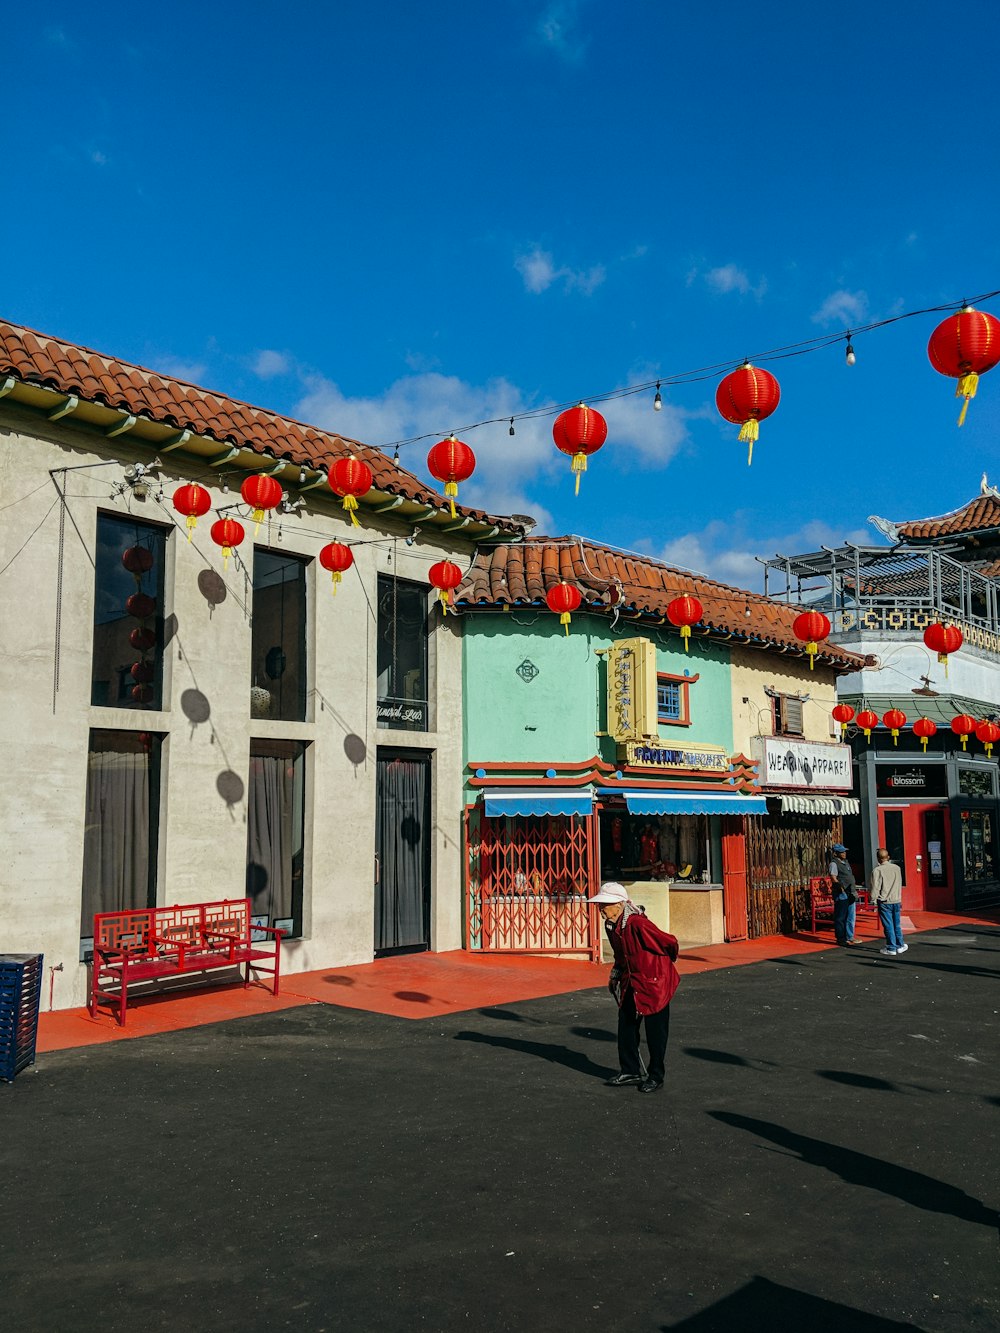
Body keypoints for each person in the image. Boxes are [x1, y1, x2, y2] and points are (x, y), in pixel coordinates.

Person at [588, 882, 680, 1094]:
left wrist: (662, 967)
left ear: (619, 904)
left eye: (605, 905)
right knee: (626, 1026)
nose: (601, 909)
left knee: (655, 1032)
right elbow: (620, 955)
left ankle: (656, 1075)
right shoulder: (611, 926)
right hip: (632, 980)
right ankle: (630, 1070)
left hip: (654, 982)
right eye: (600, 904)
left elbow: (669, 942)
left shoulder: (638, 924)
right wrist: (615, 975)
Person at [869, 847, 907, 956]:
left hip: (884, 901)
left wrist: (873, 899)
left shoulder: (877, 870)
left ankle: (891, 947)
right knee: (896, 924)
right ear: (888, 857)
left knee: (888, 925)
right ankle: (900, 945)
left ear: (878, 859)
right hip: (896, 899)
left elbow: (875, 887)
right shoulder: (897, 868)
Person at [828, 843, 859, 946]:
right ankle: (841, 938)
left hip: (850, 892)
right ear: (836, 853)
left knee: (851, 916)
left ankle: (850, 936)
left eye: (844, 851)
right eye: (841, 852)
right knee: (841, 917)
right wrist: (840, 887)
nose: (844, 853)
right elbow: (833, 877)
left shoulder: (846, 862)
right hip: (842, 893)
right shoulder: (834, 864)